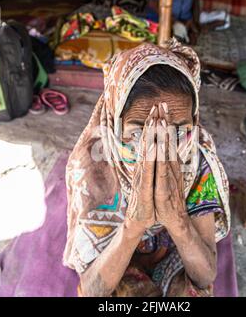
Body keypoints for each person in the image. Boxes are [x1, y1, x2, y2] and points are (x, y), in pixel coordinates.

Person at [63, 39, 231, 297]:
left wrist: (177, 220)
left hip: (174, 258)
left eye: (178, 131)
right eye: (140, 131)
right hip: (118, 259)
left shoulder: (196, 161)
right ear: (114, 120)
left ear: (194, 119)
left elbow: (204, 276)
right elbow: (92, 289)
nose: (160, 147)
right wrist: (134, 225)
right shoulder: (94, 162)